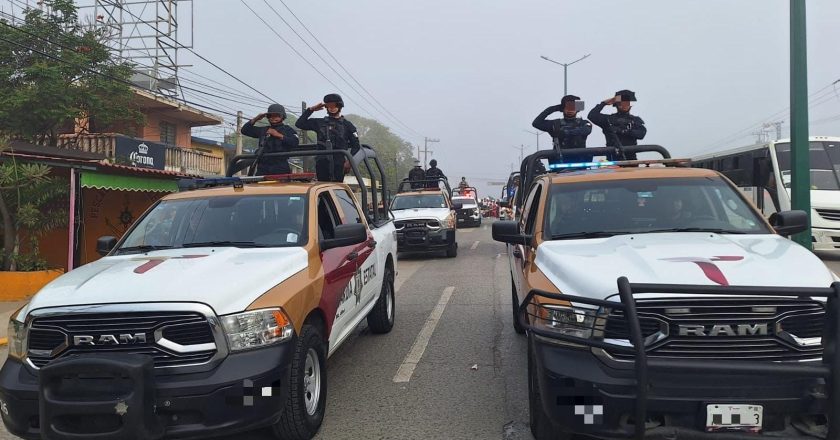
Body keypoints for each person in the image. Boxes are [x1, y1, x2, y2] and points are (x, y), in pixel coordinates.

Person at [296, 94, 361, 182]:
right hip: (322, 162)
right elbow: (299, 124)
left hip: (339, 163)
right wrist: (311, 110)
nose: (332, 108)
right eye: (329, 105)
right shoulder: (319, 122)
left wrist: (349, 162)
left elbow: (356, 146)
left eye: (334, 105)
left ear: (340, 106)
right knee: (322, 187)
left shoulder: (348, 125)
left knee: (337, 187)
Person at [532, 94, 593, 164]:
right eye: (567, 107)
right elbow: (536, 123)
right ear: (563, 108)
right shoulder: (555, 124)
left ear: (577, 109)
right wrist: (555, 108)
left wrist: (565, 133)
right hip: (559, 165)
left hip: (580, 164)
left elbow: (586, 131)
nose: (570, 110)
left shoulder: (584, 123)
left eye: (573, 107)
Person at [588, 90, 647, 160]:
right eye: (622, 103)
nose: (624, 105)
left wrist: (624, 131)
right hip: (612, 159)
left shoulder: (635, 120)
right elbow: (592, 116)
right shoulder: (608, 119)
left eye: (627, 103)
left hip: (631, 160)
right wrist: (603, 103)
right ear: (616, 104)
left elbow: (641, 134)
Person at [240, 104, 300, 175]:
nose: (273, 118)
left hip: (280, 166)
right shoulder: (264, 130)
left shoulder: (288, 130)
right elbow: (245, 130)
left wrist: (278, 135)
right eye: (270, 116)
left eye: (276, 115)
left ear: (282, 116)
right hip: (263, 167)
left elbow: (295, 142)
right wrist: (256, 119)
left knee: (282, 185)